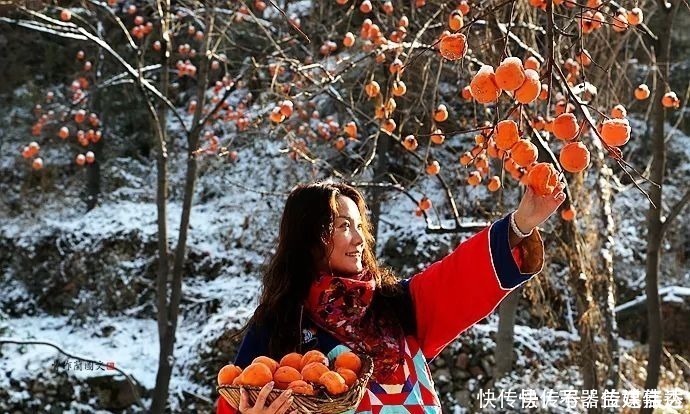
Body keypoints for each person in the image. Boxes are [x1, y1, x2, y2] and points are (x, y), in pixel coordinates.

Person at [217, 179, 565, 414]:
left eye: (358, 226)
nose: (358, 239)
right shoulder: (279, 325)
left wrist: (520, 225)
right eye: (342, 227)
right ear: (308, 238)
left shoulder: (396, 305)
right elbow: (235, 399)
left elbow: (460, 277)